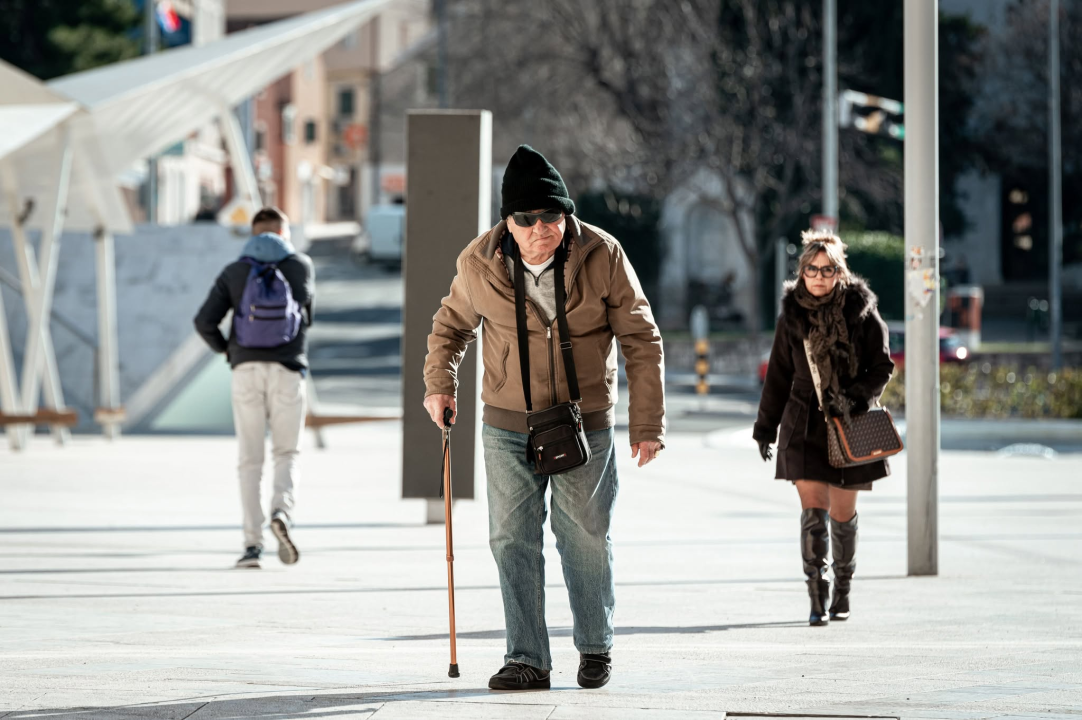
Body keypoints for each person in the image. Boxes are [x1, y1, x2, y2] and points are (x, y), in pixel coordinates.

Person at [423, 145, 666, 691]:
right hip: (507, 424)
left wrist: (647, 424)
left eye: (550, 217)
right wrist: (440, 385)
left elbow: (641, 339)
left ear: (566, 214)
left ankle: (595, 647)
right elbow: (449, 327)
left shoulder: (603, 254)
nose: (540, 229)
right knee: (510, 537)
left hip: (586, 423)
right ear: (508, 221)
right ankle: (527, 657)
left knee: (584, 533)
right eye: (526, 219)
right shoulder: (478, 262)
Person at [753, 230, 894, 626]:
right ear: (802, 272)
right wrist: (765, 429)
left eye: (827, 270)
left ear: (839, 272)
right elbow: (778, 377)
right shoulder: (791, 316)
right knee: (812, 514)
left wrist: (854, 397)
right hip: (803, 423)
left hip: (849, 421)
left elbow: (883, 366)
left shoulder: (862, 312)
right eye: (812, 269)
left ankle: (843, 590)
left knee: (842, 516)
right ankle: (817, 597)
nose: (818, 276)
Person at [194, 207, 315, 569]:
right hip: (288, 370)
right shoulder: (300, 265)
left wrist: (230, 350)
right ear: (282, 231)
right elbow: (308, 316)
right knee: (286, 452)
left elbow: (204, 322)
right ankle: (282, 512)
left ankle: (251, 546)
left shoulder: (235, 271)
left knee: (250, 460)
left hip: (245, 371)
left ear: (253, 232)